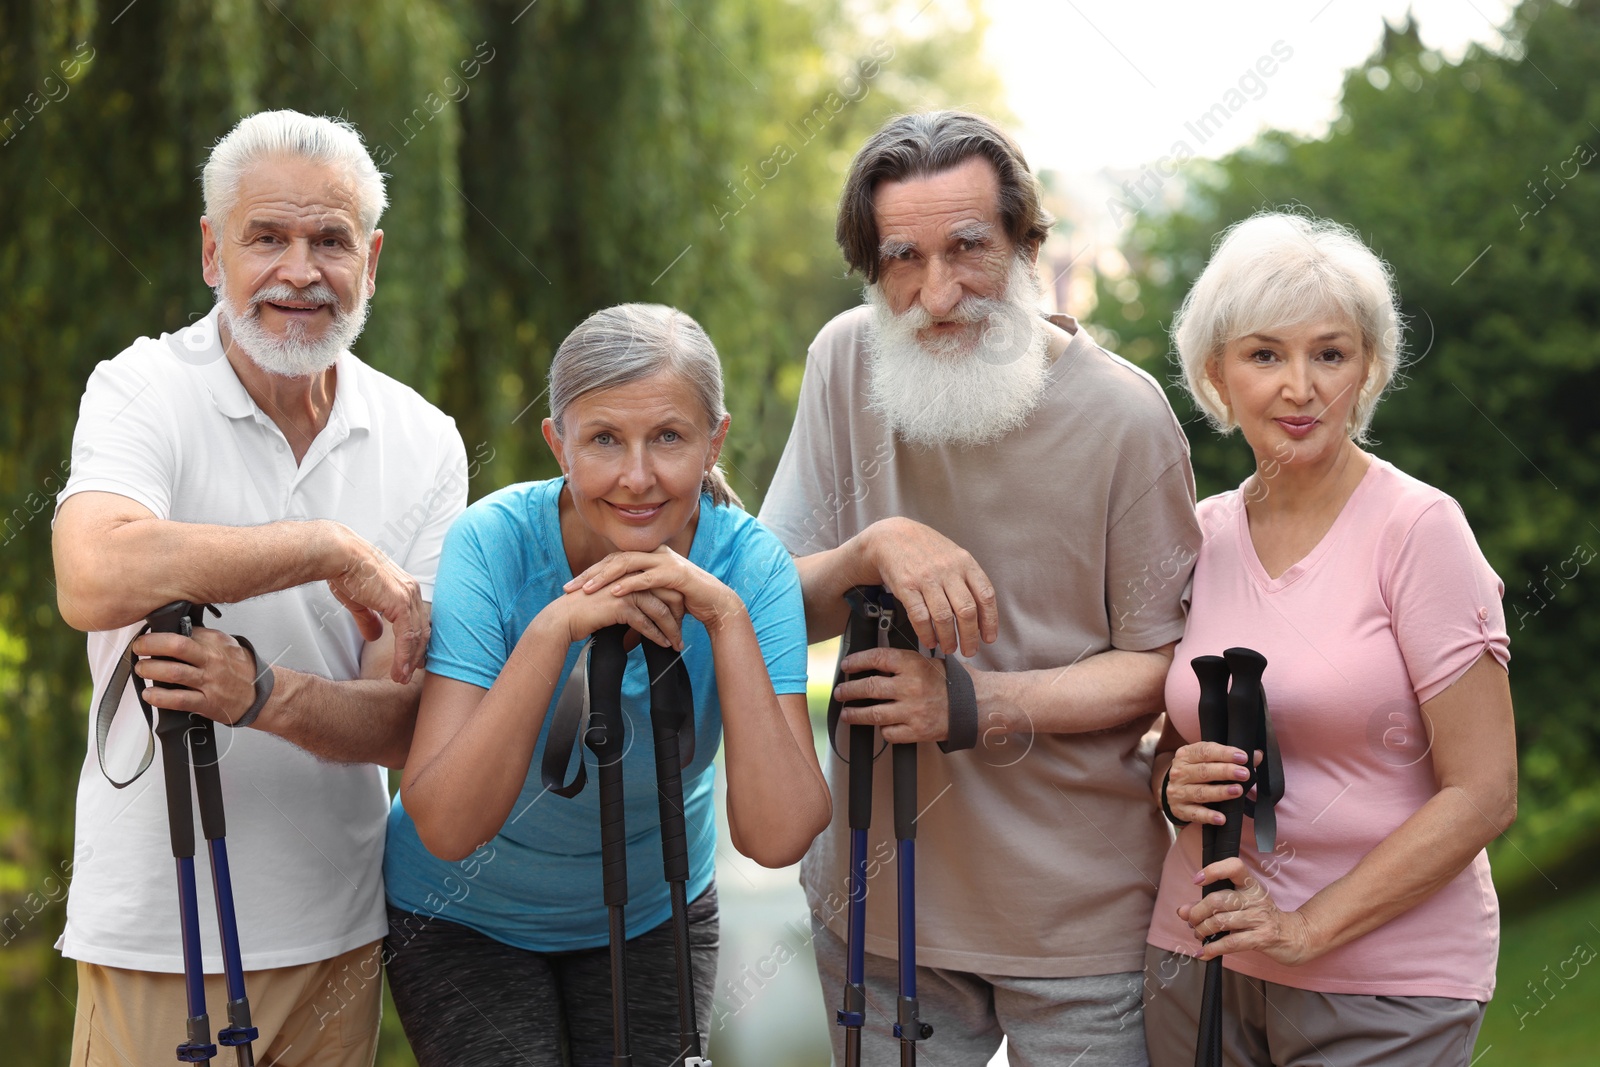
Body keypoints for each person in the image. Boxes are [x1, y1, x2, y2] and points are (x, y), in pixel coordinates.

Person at [759, 110, 1203, 1065]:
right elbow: (773, 606)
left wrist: (971, 701)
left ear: (1027, 244)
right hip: (879, 913)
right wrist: (869, 547)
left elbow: (1159, 665)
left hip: (1081, 923)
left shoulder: (1127, 418)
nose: (938, 293)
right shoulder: (845, 361)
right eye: (902, 260)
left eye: (969, 248)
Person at [51, 109, 468, 1066]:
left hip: (343, 934)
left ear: (371, 260)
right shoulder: (141, 387)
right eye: (266, 237)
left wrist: (263, 695)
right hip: (158, 937)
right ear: (212, 252)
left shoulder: (424, 437)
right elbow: (92, 574)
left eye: (329, 241)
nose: (299, 271)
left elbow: (409, 719)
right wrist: (321, 546)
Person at [384, 302, 832, 1066]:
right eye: (603, 439)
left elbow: (778, 834)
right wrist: (555, 626)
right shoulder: (493, 542)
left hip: (655, 910)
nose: (636, 477)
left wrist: (724, 619)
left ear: (713, 439)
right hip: (464, 915)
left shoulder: (749, 567)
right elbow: (449, 824)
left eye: (668, 437)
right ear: (558, 444)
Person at [1144, 213, 1517, 1066]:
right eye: (1265, 354)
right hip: (1197, 961)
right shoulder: (1197, 537)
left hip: (1386, 984)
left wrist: (1305, 927)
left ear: (1369, 369)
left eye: (1331, 353)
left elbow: (1486, 791)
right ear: (1217, 373)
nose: (1300, 387)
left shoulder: (1420, 530)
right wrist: (1171, 784)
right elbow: (1166, 750)